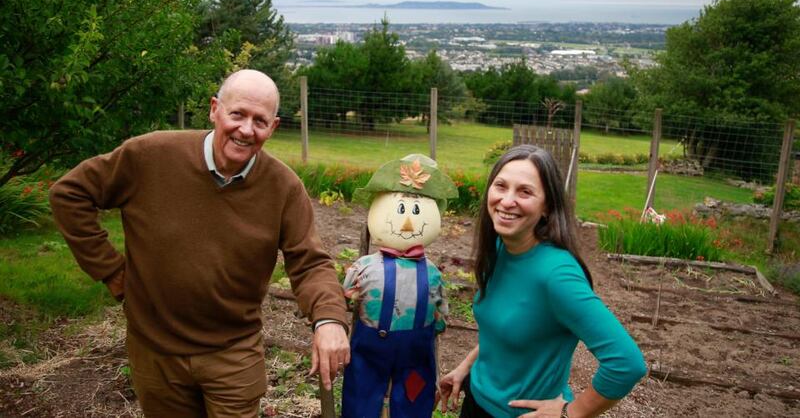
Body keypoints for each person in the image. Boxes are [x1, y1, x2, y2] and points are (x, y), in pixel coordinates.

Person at [49, 69, 350, 417]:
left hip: (233, 352)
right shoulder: (150, 156)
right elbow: (69, 195)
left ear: (274, 127)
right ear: (214, 110)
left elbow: (310, 262)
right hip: (154, 350)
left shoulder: (283, 187)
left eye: (260, 121)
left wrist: (329, 320)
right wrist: (113, 273)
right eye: (237, 114)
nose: (246, 130)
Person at [437, 145, 647, 418]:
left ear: (547, 206)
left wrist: (569, 413)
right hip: (475, 402)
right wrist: (465, 368)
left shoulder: (557, 275)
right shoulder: (502, 247)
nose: (507, 200)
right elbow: (506, 328)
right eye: (501, 186)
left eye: (525, 192)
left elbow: (626, 363)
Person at [341, 154, 457, 418]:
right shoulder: (364, 268)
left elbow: (348, 300)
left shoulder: (432, 274)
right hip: (371, 351)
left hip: (414, 355)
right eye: (401, 211)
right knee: (362, 394)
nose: (407, 222)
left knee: (414, 395)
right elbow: (441, 319)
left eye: (416, 212)